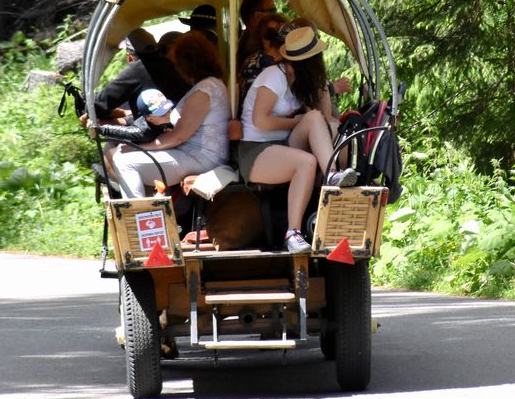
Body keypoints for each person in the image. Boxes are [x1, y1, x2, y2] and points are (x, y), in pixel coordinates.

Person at [237, 25, 357, 254]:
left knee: (324, 122)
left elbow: (322, 116)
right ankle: (293, 232)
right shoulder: (275, 76)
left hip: (284, 144)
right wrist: (296, 121)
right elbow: (260, 121)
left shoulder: (303, 80)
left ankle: (331, 175)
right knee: (306, 161)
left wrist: (320, 85)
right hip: (257, 148)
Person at [111, 32, 230, 198]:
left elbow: (178, 137)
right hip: (198, 154)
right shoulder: (212, 84)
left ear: (185, 64)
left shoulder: (204, 91)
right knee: (124, 154)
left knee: (124, 161)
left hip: (200, 158)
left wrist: (139, 147)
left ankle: (140, 218)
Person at [93, 28, 190, 120]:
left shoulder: (137, 69)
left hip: (158, 130)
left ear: (129, 57)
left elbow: (97, 107)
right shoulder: (172, 62)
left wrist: (120, 113)